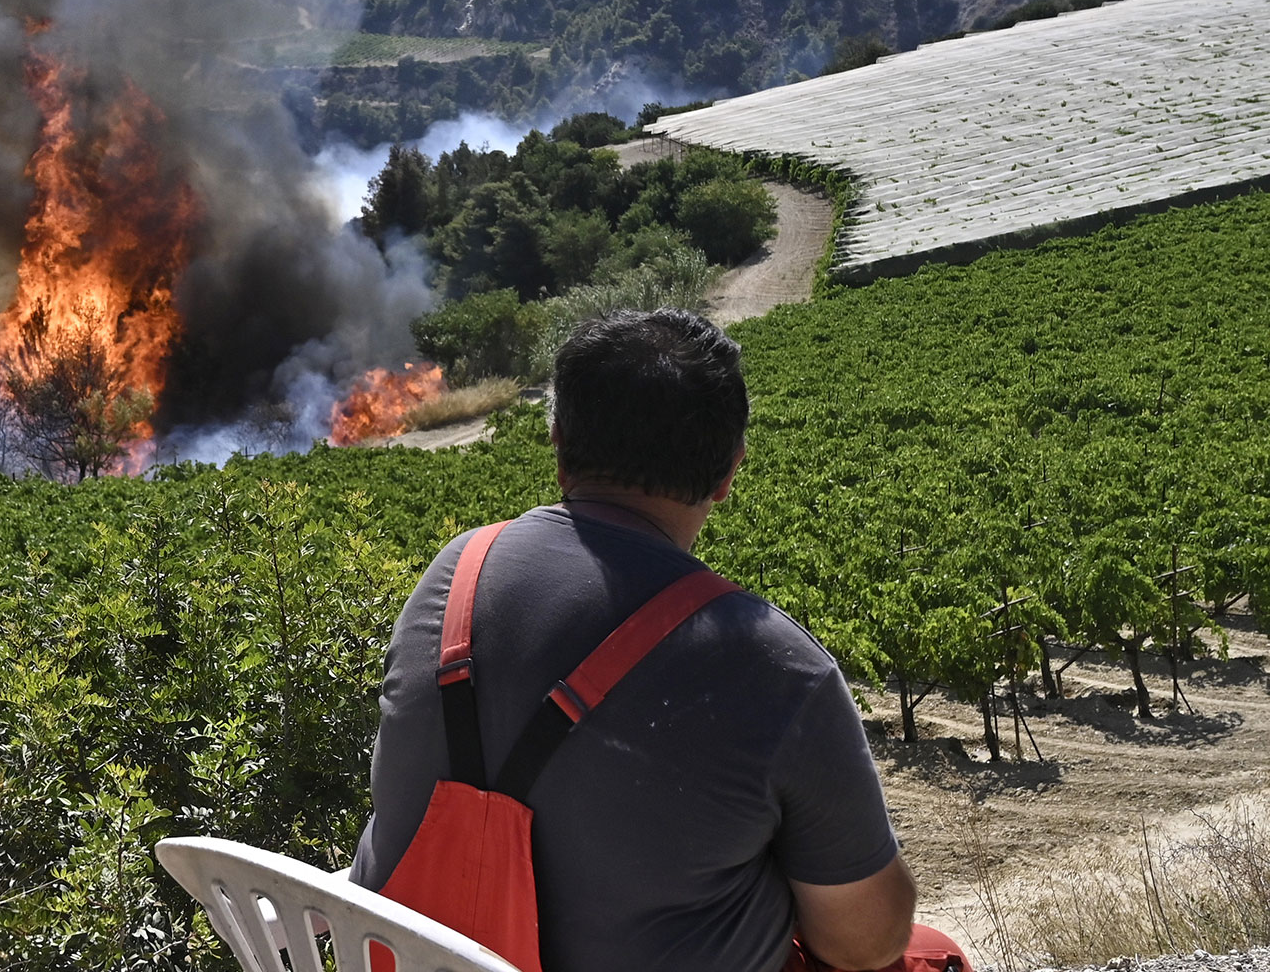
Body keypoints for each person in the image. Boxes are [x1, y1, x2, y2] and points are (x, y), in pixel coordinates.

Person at [350, 309, 925, 972]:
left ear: (560, 444)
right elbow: (866, 943)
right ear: (729, 472)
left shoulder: (452, 576)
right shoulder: (778, 668)